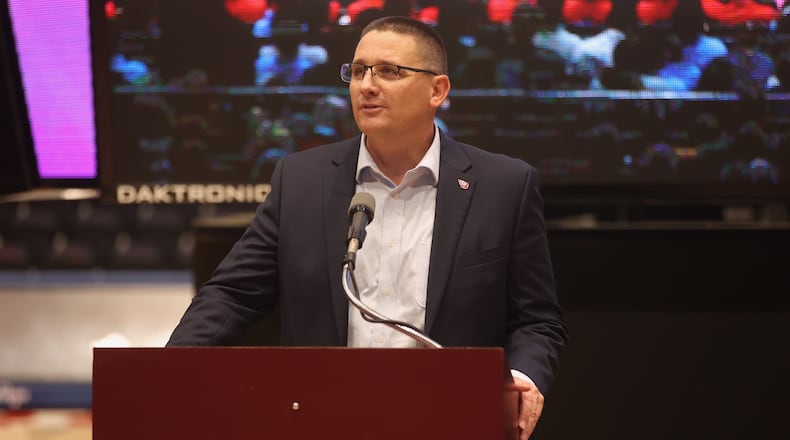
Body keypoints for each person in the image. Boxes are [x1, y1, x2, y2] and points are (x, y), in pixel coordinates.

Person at [167, 15, 567, 439]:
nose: (366, 85)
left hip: (449, 419)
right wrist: (169, 368)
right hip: (322, 420)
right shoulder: (302, 180)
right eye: (358, 71)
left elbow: (537, 319)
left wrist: (524, 376)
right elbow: (232, 293)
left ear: (438, 90)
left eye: (389, 71)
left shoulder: (503, 185)